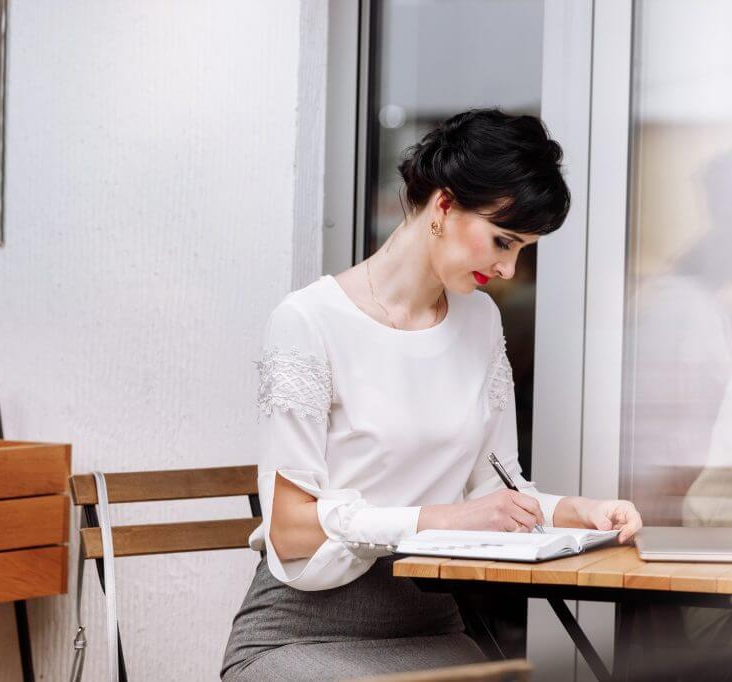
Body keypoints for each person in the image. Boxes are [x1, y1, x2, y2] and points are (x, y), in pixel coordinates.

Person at [220, 108, 643, 681]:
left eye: (522, 249)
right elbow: (290, 528)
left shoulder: (478, 321)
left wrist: (581, 512)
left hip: (433, 627)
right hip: (303, 633)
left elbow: (497, 494)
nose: (510, 268)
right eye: (502, 241)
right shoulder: (309, 321)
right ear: (443, 205)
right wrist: (446, 518)